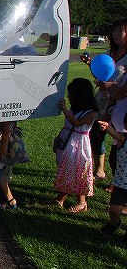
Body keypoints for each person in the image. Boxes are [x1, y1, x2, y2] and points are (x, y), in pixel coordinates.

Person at [81, 18, 127, 181]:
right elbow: (101, 74)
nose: (116, 34)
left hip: (120, 104)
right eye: (114, 31)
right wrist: (90, 64)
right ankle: (100, 170)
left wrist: (112, 86)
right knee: (96, 135)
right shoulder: (109, 53)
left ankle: (118, 178)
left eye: (120, 31)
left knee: (119, 141)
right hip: (102, 101)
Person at [52, 78, 97, 212]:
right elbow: (67, 125)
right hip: (67, 143)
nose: (69, 97)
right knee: (67, 170)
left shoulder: (90, 113)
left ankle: (81, 202)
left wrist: (64, 110)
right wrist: (58, 139)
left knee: (79, 172)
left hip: (79, 147)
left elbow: (76, 123)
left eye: (71, 94)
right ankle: (60, 199)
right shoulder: (73, 109)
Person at [97, 120, 127, 239]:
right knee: (114, 210)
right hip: (120, 183)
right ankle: (115, 223)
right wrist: (107, 127)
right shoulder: (123, 138)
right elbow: (115, 135)